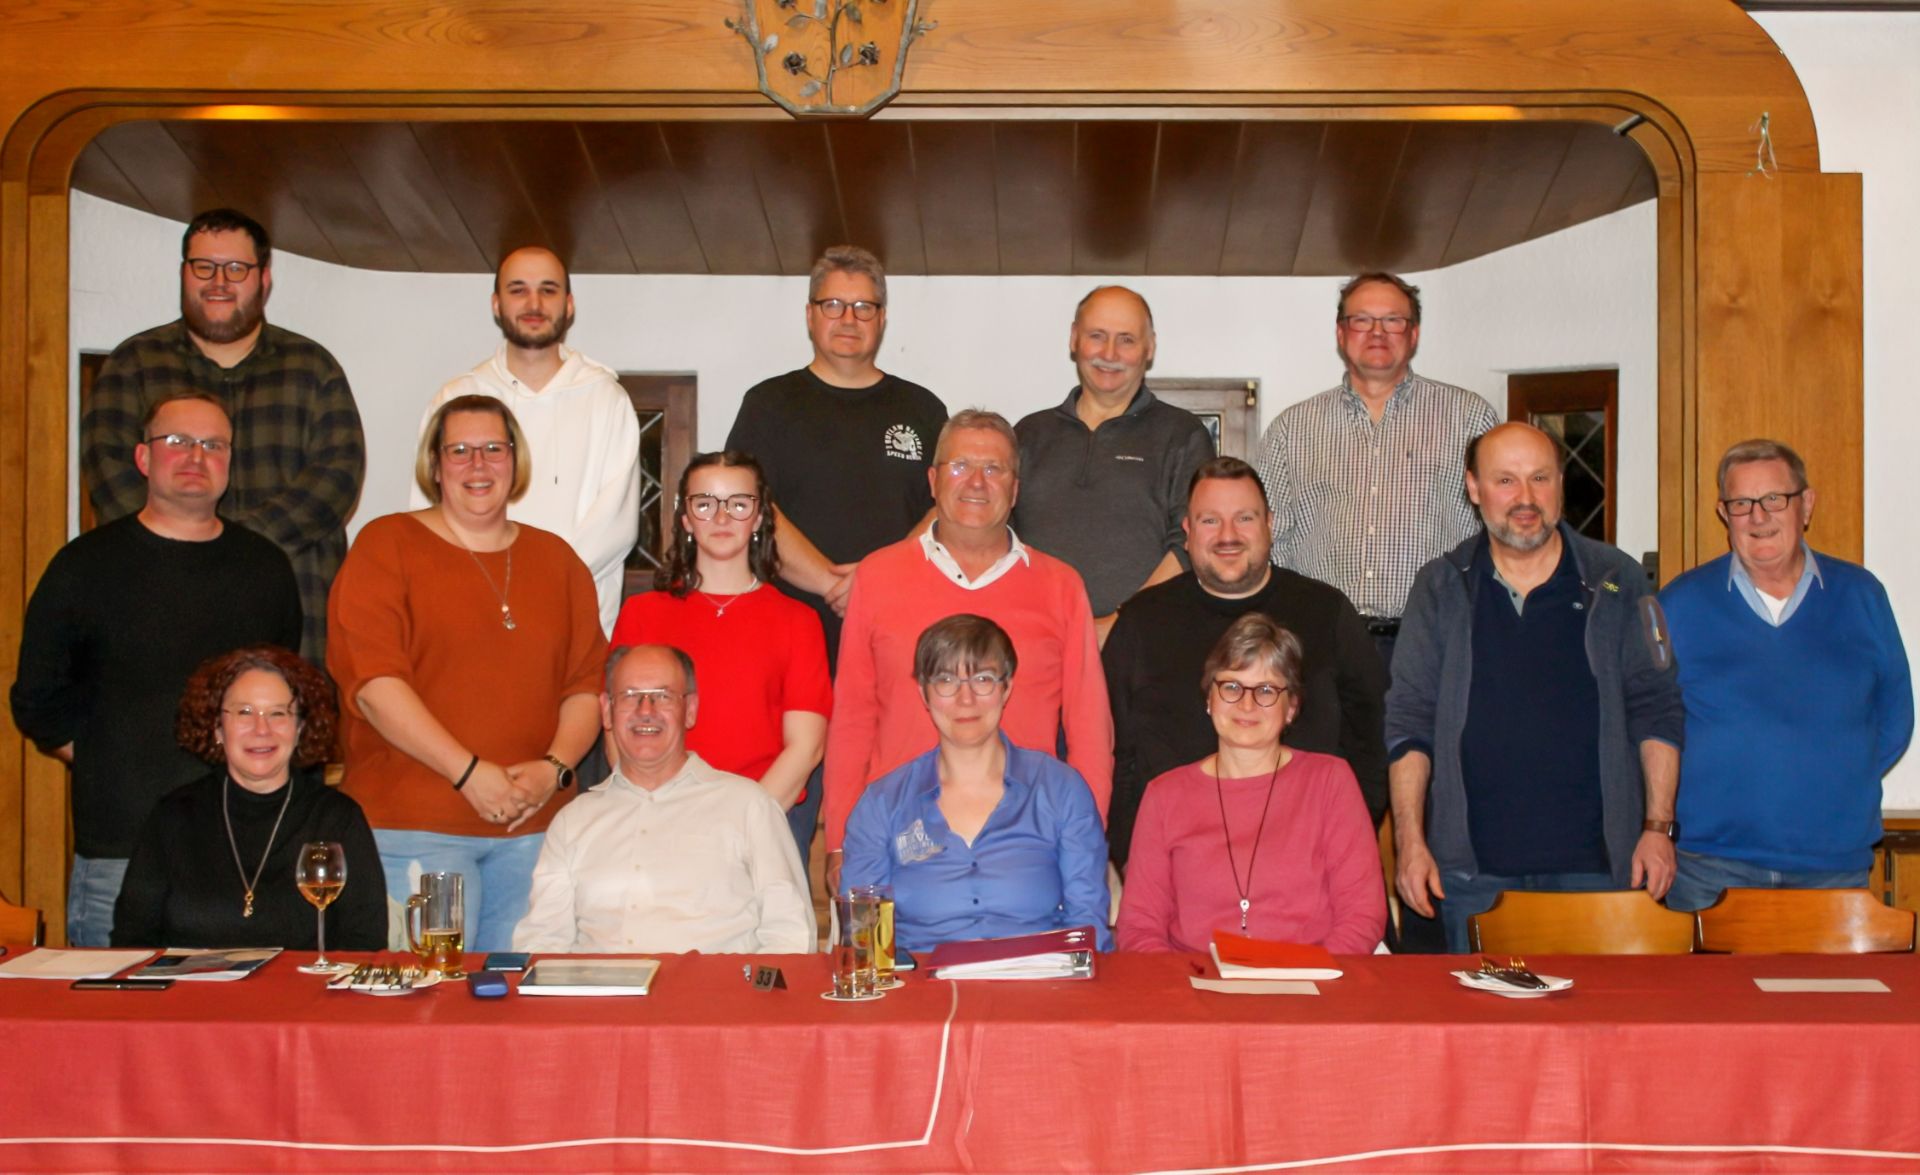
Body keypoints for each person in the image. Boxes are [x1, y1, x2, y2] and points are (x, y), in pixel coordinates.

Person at [10, 393, 302, 946]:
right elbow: (38, 700)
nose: (196, 456)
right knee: (116, 1003)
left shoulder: (265, 569)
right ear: (143, 458)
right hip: (119, 854)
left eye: (213, 445)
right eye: (178, 441)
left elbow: (284, 700)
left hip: (244, 855)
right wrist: (106, 758)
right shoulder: (84, 566)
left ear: (230, 463)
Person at [1386, 422, 1685, 952]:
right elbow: (1410, 724)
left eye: (1540, 478)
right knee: (1479, 1010)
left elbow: (1657, 709)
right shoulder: (1440, 586)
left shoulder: (1617, 580)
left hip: (1600, 872)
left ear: (1560, 485)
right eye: (1505, 480)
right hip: (1472, 877)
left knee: (1599, 1010)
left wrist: (1657, 829)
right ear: (1474, 488)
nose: (1525, 498)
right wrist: (1410, 843)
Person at [327, 395, 606, 952]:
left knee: (517, 997)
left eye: (493, 449)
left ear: (515, 460)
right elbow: (375, 686)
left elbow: (587, 686)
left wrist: (553, 769)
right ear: (434, 465)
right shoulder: (386, 546)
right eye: (459, 450)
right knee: (428, 995)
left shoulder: (559, 561)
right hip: (415, 829)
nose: (478, 464)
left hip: (536, 832)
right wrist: (469, 774)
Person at [726, 245, 947, 866]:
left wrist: (874, 583)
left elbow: (945, 508)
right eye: (833, 305)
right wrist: (831, 581)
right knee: (783, 834)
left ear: (883, 318)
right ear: (809, 315)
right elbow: (750, 504)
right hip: (791, 645)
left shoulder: (922, 410)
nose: (849, 318)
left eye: (864, 307)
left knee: (899, 823)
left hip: (894, 648)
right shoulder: (769, 404)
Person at [822, 409, 1112, 878]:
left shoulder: (1060, 586)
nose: (977, 482)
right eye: (960, 466)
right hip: (897, 841)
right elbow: (853, 717)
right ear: (933, 481)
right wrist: (839, 840)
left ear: (1015, 490)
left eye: (994, 468)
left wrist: (1086, 841)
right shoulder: (877, 576)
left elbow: (1090, 729)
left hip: (1027, 845)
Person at [81, 208, 365, 662]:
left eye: (236, 268)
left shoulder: (314, 368)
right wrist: (190, 544)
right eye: (204, 267)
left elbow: (337, 478)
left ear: (264, 279)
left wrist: (233, 543)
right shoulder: (133, 364)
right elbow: (109, 475)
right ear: (183, 273)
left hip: (292, 610)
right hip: (161, 605)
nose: (219, 282)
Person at [1661, 439, 1913, 912]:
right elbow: (1652, 721)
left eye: (1774, 499)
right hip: (1709, 868)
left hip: (1833, 866)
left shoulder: (1862, 596)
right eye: (1742, 503)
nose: (1758, 517)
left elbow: (1896, 717)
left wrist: (1834, 774)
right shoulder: (1679, 604)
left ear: (1806, 505)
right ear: (1723, 513)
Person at [1103, 457, 1387, 870]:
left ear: (1270, 524)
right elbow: (1115, 750)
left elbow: (1371, 738)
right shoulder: (1142, 622)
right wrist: (1133, 856)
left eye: (1244, 518)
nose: (1228, 536)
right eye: (1210, 521)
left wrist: (1346, 841)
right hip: (1179, 864)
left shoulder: (1326, 613)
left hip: (1307, 862)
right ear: (1187, 531)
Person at [1253, 272, 1497, 668]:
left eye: (1393, 320)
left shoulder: (1470, 418)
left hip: (1436, 642)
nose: (1377, 332)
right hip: (1322, 644)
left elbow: (1497, 531)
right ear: (1341, 333)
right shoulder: (1291, 429)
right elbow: (1266, 539)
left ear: (1413, 334)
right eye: (1362, 320)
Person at [515, 645, 815, 954]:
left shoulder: (749, 806)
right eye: (630, 695)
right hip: (598, 985)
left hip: (712, 985)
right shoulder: (573, 821)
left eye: (663, 696)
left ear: (690, 709)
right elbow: (542, 943)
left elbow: (791, 935)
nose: (646, 710)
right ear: (606, 711)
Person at [610, 451, 832, 865]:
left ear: (760, 517)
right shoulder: (641, 615)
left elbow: (806, 747)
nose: (722, 517)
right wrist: (659, 812)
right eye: (705, 503)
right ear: (686, 518)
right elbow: (618, 730)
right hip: (657, 824)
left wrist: (737, 827)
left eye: (739, 503)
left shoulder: (798, 621)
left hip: (762, 826)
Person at [1116, 615, 1386, 954]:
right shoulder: (1164, 795)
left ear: (1291, 708)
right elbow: (1139, 927)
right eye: (1231, 687)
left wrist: (1310, 975)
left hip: (1311, 979)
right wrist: (1182, 984)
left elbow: (1362, 916)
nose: (1247, 704)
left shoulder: (1330, 781)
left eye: (1266, 690)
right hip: (1193, 980)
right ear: (1209, 699)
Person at [842, 615, 1112, 953]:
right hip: (920, 982)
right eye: (946, 680)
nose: (965, 699)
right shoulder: (882, 803)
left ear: (1006, 688)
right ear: (924, 693)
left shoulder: (1061, 790)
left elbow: (1087, 922)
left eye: (983, 679)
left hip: (1040, 979)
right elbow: (864, 939)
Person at [413, 246, 641, 634]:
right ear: (496, 304)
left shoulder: (606, 398)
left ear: (568, 305)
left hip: (572, 618)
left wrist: (533, 589)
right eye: (518, 290)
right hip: (469, 612)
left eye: (548, 290)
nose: (534, 303)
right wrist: (483, 591)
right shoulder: (456, 397)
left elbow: (615, 528)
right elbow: (427, 515)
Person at [111, 646, 384, 950]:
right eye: (244, 712)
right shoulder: (173, 816)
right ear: (217, 727)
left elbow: (366, 944)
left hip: (303, 984)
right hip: (189, 983)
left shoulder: (337, 818)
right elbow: (131, 942)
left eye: (278, 713)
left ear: (300, 728)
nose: (261, 729)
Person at [1012, 286, 1213, 637]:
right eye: (1097, 336)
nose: (1109, 353)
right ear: (1074, 338)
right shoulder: (1028, 434)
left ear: (1150, 347)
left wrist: (1120, 625)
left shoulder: (1183, 435)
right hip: (1036, 640)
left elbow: (1190, 543)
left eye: (1126, 340)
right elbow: (998, 538)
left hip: (1146, 643)